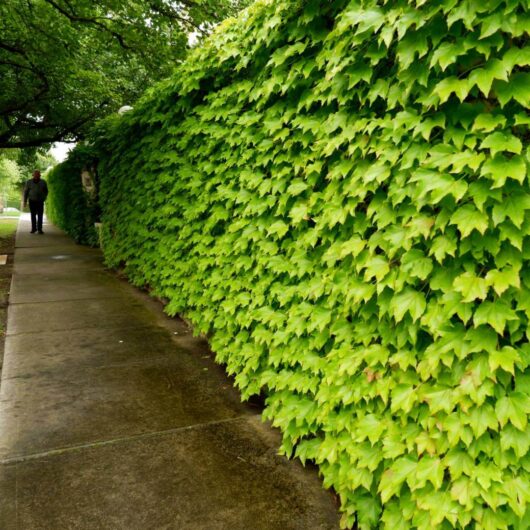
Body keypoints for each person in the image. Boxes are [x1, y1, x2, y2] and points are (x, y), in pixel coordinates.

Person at [23, 170, 48, 234]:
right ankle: (33, 229)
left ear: (40, 175)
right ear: (33, 175)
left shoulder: (43, 182)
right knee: (33, 215)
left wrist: (44, 198)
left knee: (40, 215)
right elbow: (26, 192)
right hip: (32, 201)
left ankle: (40, 229)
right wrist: (25, 201)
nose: (36, 175)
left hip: (40, 201)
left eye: (38, 174)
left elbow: (46, 191)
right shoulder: (29, 182)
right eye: (35, 174)